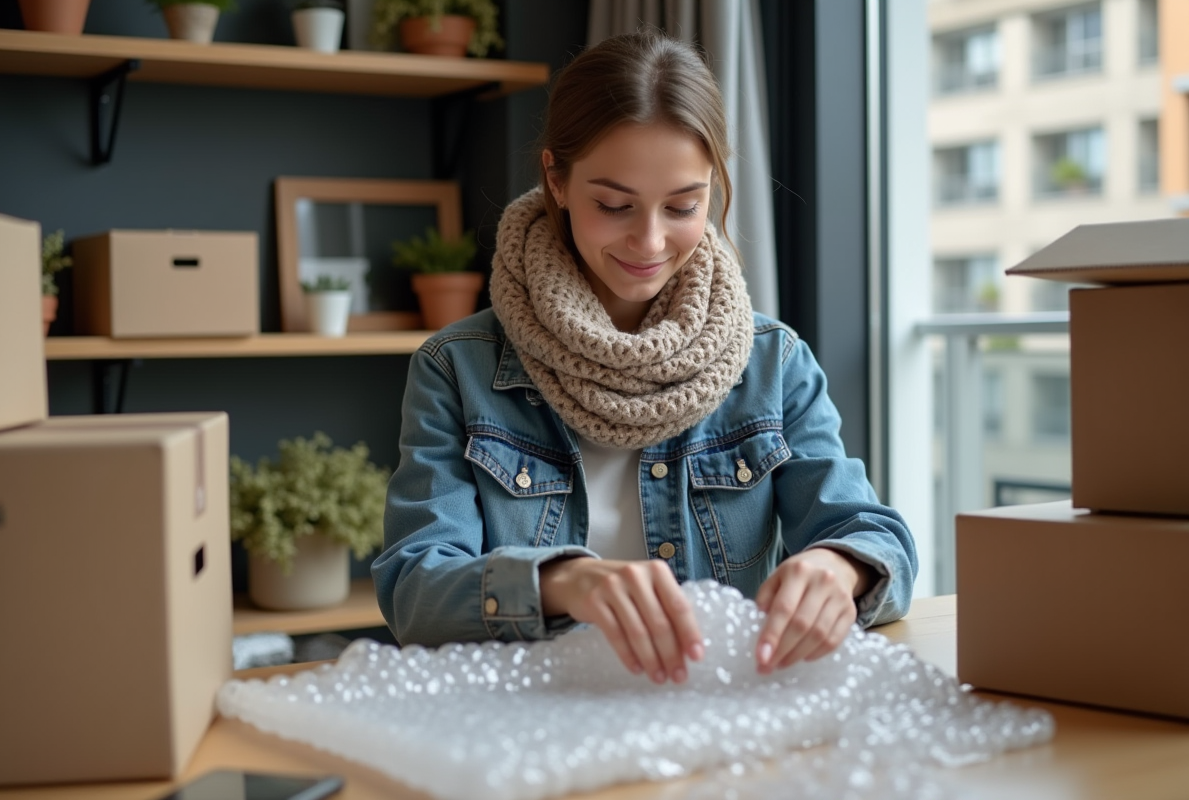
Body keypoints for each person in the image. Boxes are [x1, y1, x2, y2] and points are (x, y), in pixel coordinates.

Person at [371, 30, 916, 687]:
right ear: (556, 178)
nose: (650, 240)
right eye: (614, 204)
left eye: (684, 205)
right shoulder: (455, 368)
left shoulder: (774, 362)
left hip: (717, 724)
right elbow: (413, 588)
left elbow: (874, 535)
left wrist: (836, 569)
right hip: (528, 731)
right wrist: (565, 582)